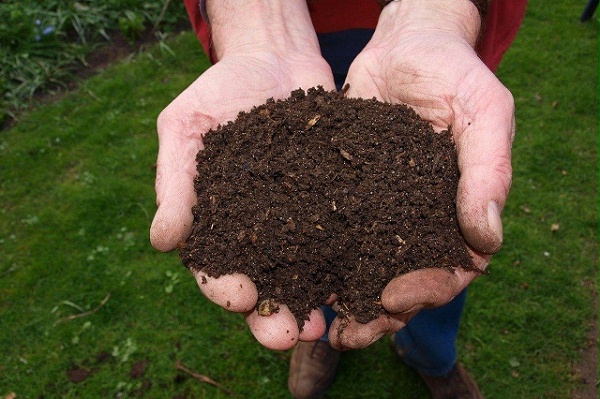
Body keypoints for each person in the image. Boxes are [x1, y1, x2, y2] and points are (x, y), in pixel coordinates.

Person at [150, 1, 527, 398]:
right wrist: (259, 19)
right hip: (306, 27)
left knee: (441, 252)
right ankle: (319, 339)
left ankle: (432, 358)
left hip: (434, 30)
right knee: (315, 273)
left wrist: (437, 14)